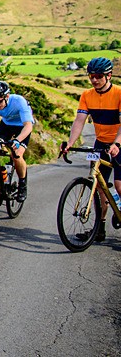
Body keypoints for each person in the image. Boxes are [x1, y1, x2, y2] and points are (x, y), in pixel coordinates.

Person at [62, 56, 121, 243]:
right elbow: (80, 121)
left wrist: (117, 144)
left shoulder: (119, 93)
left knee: (119, 186)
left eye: (98, 76)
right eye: (91, 76)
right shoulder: (87, 95)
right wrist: (71, 142)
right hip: (101, 143)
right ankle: (99, 229)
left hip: (119, 143)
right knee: (98, 187)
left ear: (109, 75)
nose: (94, 80)